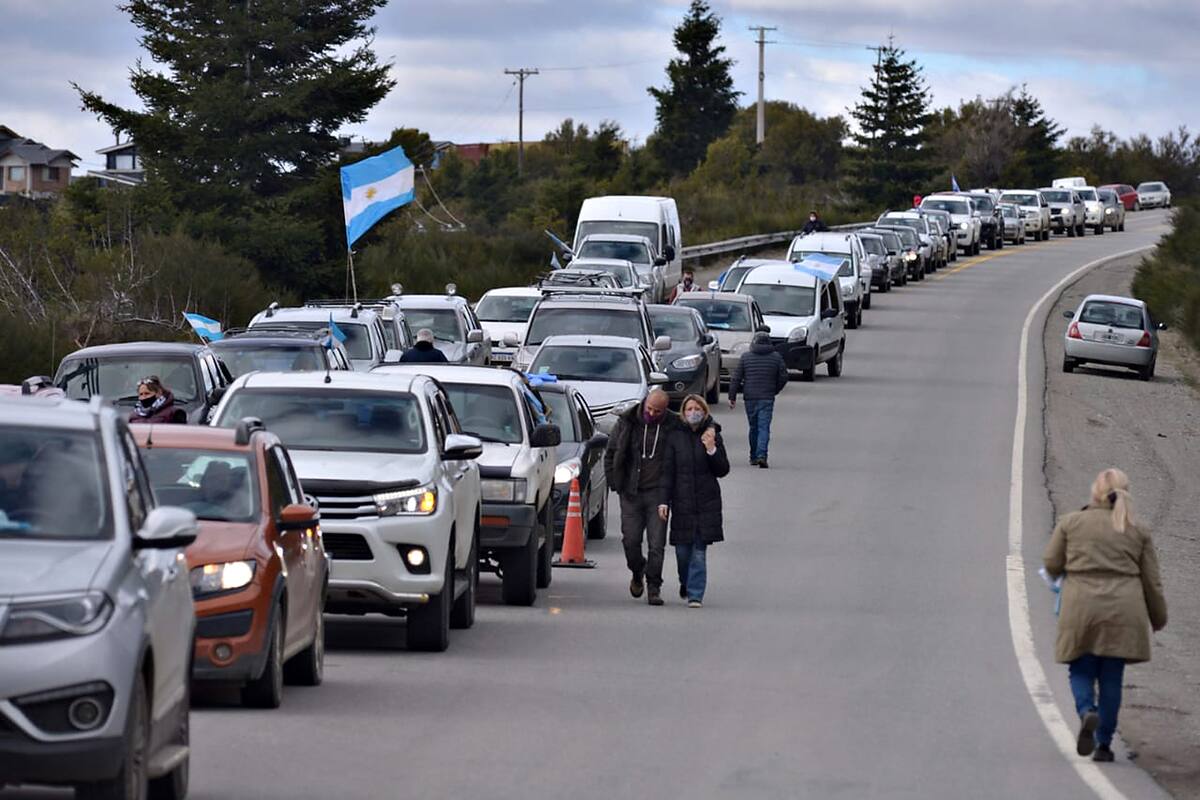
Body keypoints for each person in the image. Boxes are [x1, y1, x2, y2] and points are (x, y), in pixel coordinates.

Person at [1043, 468, 1167, 764]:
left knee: (1081, 668)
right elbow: (1151, 581)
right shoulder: (1137, 531)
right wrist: (1158, 617)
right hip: (1123, 612)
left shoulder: (1071, 523)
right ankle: (1104, 745)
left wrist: (1064, 570)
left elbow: (1051, 563)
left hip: (1081, 608)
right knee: (1112, 676)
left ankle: (1087, 710)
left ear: (1094, 491)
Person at [604, 388, 678, 606]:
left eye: (657, 411)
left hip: (658, 494)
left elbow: (698, 425)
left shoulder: (673, 425)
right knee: (631, 541)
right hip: (631, 492)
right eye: (650, 409)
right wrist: (615, 482)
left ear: (665, 410)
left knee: (657, 544)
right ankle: (638, 571)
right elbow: (611, 453)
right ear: (645, 403)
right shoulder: (627, 421)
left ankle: (654, 587)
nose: (652, 414)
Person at [661, 395, 729, 608]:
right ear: (683, 412)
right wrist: (663, 501)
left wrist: (711, 449)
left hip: (706, 502)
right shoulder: (674, 436)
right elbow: (667, 472)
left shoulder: (712, 435)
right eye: (689, 409)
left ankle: (695, 595)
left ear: (704, 411)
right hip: (682, 503)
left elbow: (722, 469)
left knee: (699, 552)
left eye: (697, 409)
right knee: (682, 552)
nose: (693, 413)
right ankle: (686, 581)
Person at [727, 332, 788, 468]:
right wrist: (775, 389)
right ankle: (762, 455)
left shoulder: (746, 357)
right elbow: (784, 377)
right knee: (764, 427)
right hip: (767, 397)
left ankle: (754, 456)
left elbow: (736, 378)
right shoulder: (776, 357)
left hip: (750, 397)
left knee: (753, 427)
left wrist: (732, 396)